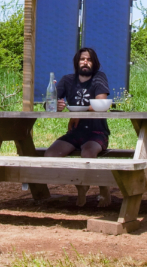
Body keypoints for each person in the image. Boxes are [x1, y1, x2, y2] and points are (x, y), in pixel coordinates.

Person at [45, 47, 112, 208]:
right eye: (82, 59)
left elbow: (101, 103)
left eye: (89, 60)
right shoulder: (67, 80)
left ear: (94, 63)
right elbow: (49, 103)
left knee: (88, 153)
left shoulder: (99, 77)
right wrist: (56, 105)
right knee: (49, 155)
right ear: (77, 62)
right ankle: (80, 185)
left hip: (97, 132)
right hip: (75, 132)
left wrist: (78, 113)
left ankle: (104, 188)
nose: (85, 62)